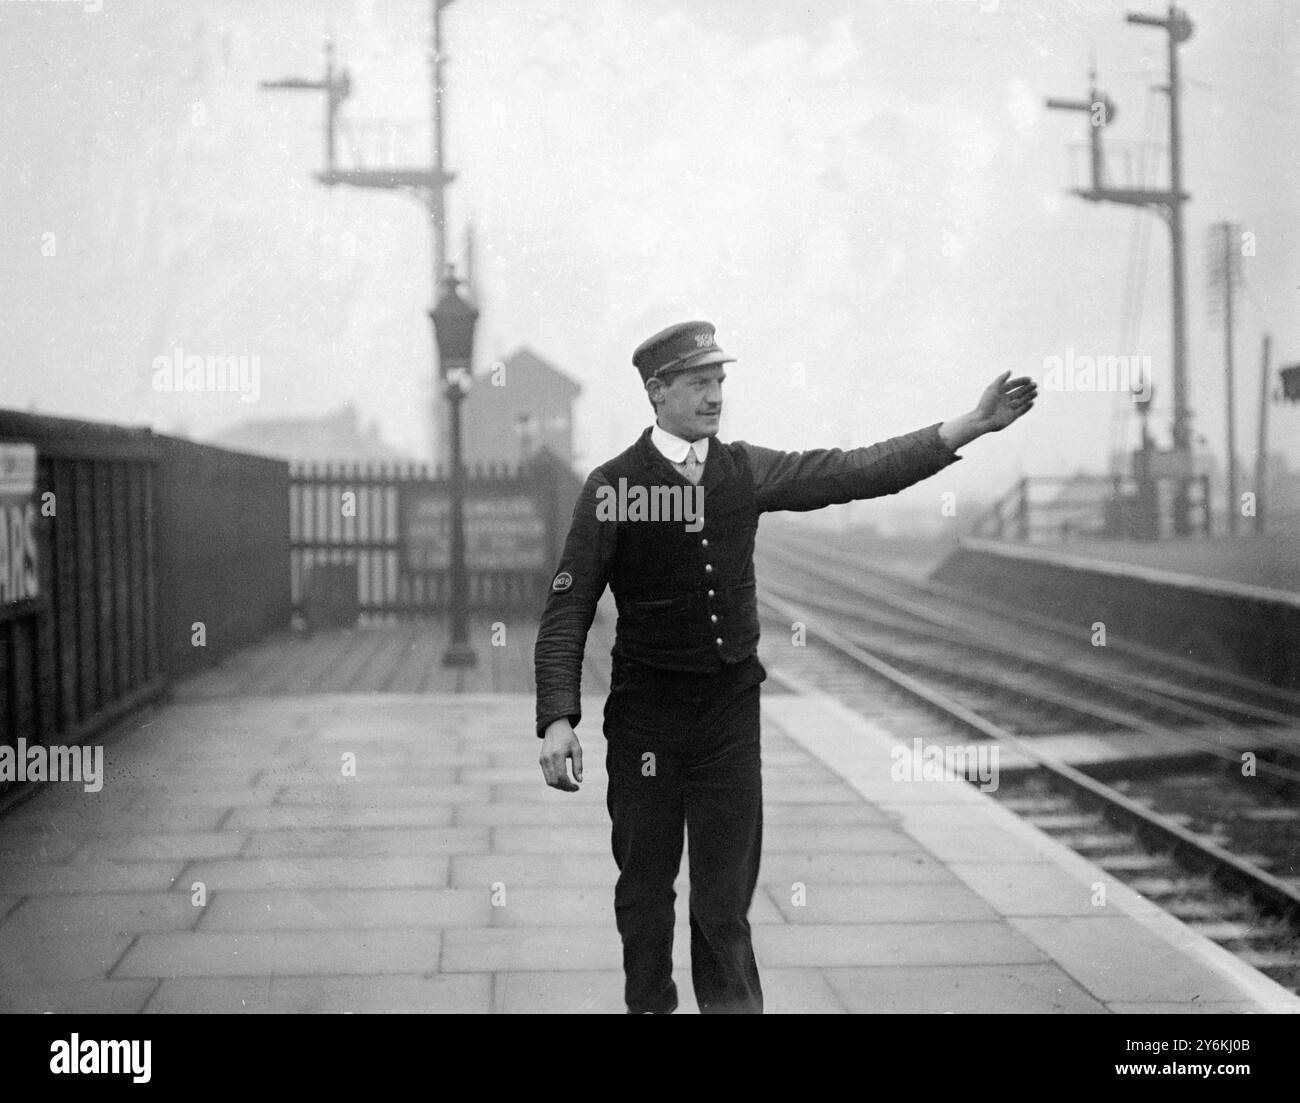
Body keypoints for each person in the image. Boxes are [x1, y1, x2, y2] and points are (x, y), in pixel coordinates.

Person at [534, 320, 1036, 1014]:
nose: (715, 396)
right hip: (646, 719)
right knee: (646, 894)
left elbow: (852, 469)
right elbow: (569, 606)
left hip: (728, 716)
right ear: (657, 391)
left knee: (724, 903)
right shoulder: (613, 485)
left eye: (719, 381)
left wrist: (967, 426)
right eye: (698, 382)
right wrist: (558, 716)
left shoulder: (743, 468)